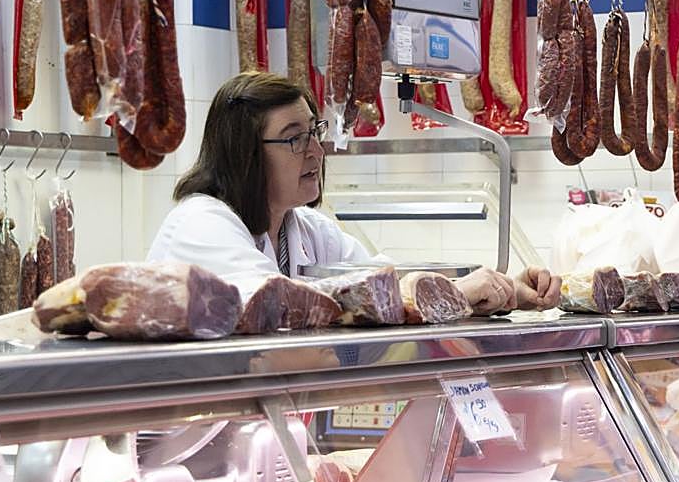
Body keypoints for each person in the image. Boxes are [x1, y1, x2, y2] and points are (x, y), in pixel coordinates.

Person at [147, 71, 561, 313]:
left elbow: (384, 279)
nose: (316, 150)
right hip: (187, 433)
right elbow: (283, 306)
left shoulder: (305, 229)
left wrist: (503, 290)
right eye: (294, 138)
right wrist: (453, 294)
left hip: (259, 425)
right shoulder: (202, 224)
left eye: (314, 132)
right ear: (245, 155)